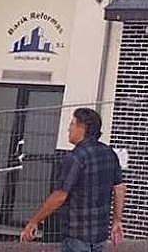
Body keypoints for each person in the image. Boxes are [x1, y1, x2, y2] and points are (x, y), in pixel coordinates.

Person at [21, 107, 125, 251]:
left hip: (76, 235)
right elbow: (119, 189)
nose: (68, 129)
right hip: (100, 235)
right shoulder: (109, 153)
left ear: (81, 127)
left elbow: (60, 196)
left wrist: (34, 221)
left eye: (72, 124)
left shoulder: (75, 157)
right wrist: (117, 220)